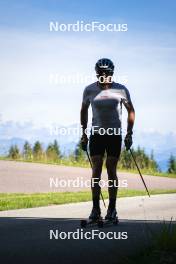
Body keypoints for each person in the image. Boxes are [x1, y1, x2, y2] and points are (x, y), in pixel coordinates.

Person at [80, 58, 135, 221]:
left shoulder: (121, 90)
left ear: (112, 73)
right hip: (96, 134)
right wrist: (84, 134)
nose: (103, 76)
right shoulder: (89, 90)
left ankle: (112, 209)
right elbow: (83, 110)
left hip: (114, 135)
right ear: (97, 73)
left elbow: (131, 110)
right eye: (100, 73)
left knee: (111, 168)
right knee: (96, 169)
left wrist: (129, 133)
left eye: (107, 73)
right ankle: (95, 209)